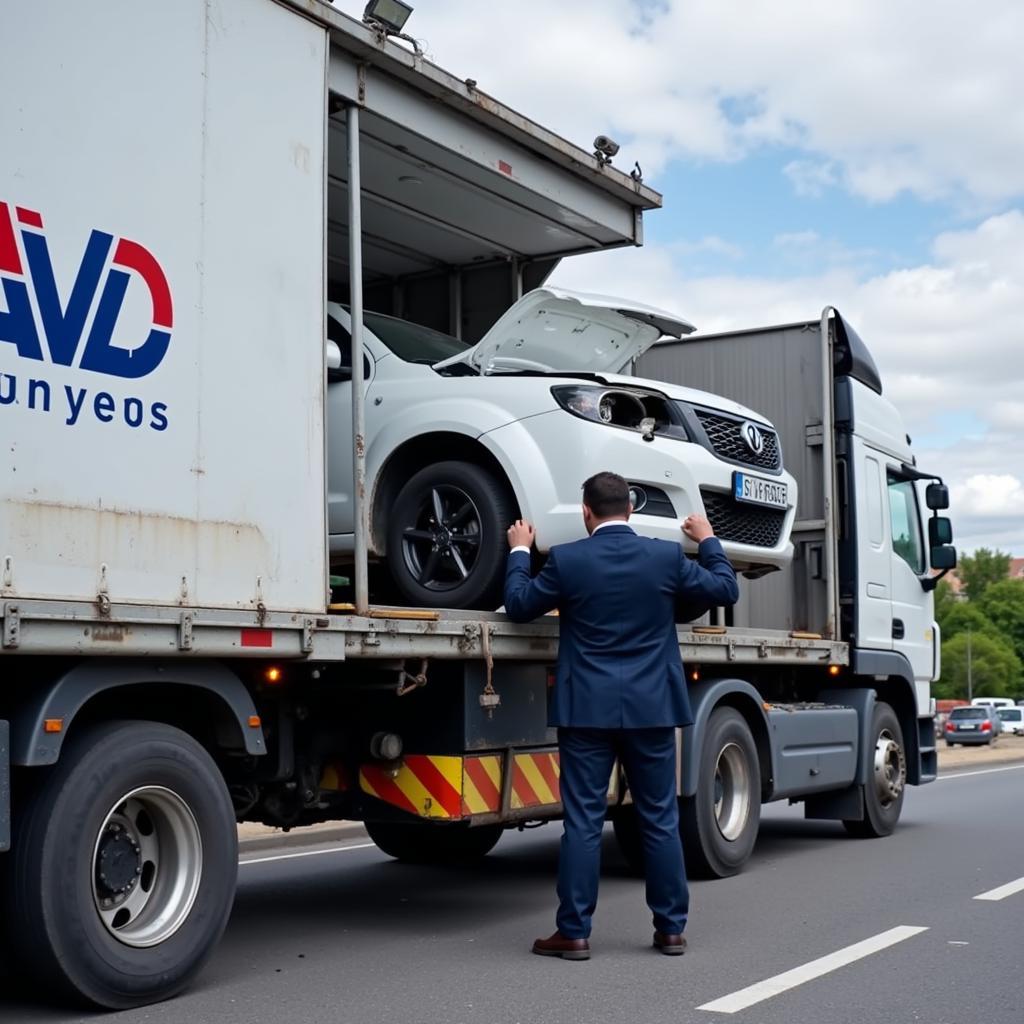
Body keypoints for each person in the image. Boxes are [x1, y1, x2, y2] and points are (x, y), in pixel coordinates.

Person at [504, 471, 739, 960]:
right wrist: (708, 539)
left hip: (586, 710)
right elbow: (724, 589)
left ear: (585, 511)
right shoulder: (665, 557)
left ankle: (573, 933)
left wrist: (520, 550)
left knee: (584, 823)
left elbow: (520, 605)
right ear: (630, 509)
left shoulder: (568, 560)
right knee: (659, 819)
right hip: (652, 709)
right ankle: (671, 929)